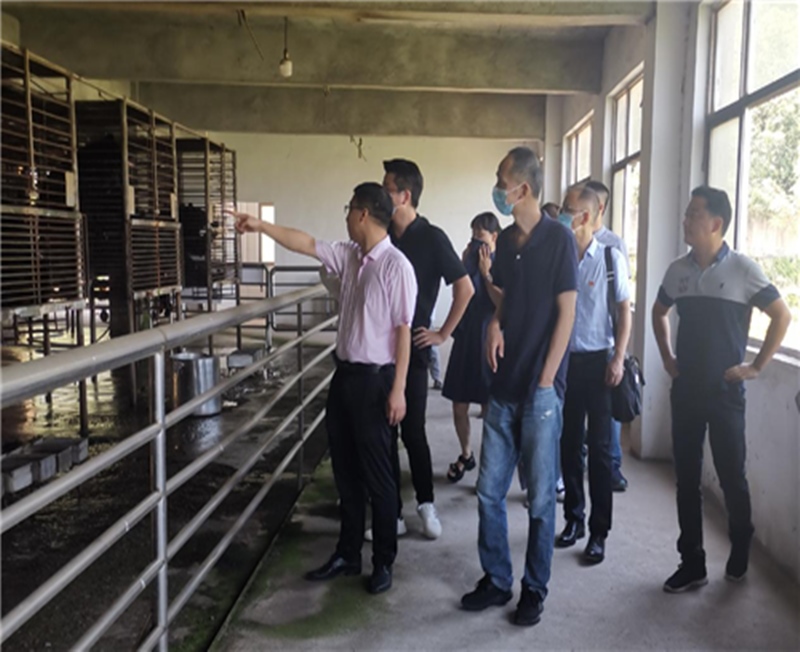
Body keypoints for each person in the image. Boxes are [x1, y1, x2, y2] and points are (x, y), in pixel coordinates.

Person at [230, 183, 417, 595]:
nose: (346, 215)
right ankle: (348, 554)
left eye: (349, 208)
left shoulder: (396, 266)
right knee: (345, 472)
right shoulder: (349, 256)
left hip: (376, 382)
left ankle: (383, 560)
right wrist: (260, 225)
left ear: (363, 214)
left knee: (378, 477)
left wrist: (399, 389)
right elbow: (305, 243)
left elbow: (403, 331)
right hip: (345, 377)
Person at [652, 186, 791, 592]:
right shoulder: (677, 271)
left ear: (716, 223)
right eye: (686, 213)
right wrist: (667, 357)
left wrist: (756, 367)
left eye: (693, 214)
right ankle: (692, 561)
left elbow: (781, 316)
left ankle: (740, 541)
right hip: (686, 389)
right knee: (686, 478)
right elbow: (659, 312)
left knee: (732, 475)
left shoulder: (743, 270)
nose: (685, 220)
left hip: (726, 392)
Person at [461, 147, 577, 627]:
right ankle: (496, 579)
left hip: (540, 391)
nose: (497, 187)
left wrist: (547, 378)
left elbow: (567, 311)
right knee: (489, 491)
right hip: (504, 387)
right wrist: (494, 323)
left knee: (541, 501)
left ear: (522, 188)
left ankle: (534, 588)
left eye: (501, 179)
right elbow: (506, 298)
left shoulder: (559, 240)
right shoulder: (507, 241)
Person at [382, 158, 474, 540]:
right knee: (383, 435)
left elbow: (465, 288)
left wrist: (442, 334)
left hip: (415, 350)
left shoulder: (432, 237)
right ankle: (390, 512)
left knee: (412, 431)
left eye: (386, 189)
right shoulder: (382, 234)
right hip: (378, 350)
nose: (382, 195)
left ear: (405, 195)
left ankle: (425, 503)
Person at [554, 186, 631, 564]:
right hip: (566, 363)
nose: (562, 215)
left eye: (567, 210)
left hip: (600, 363)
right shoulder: (561, 256)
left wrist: (618, 359)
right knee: (568, 445)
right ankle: (574, 519)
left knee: (599, 452)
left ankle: (599, 531)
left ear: (584, 216)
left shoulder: (610, 257)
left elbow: (624, 310)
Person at [442, 211, 501, 483]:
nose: (476, 241)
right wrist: (463, 264)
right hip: (466, 338)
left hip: (488, 337)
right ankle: (466, 453)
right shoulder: (469, 259)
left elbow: (502, 303)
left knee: (490, 406)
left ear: (494, 237)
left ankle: (489, 466)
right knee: (459, 403)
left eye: (481, 235)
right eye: (473, 235)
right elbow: (460, 294)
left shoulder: (502, 263)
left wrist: (487, 275)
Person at [585, 179, 630, 492]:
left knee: (607, 415)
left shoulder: (614, 246)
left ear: (597, 208)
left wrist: (619, 353)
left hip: (606, 341)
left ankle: (612, 466)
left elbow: (622, 300)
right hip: (577, 345)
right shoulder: (568, 240)